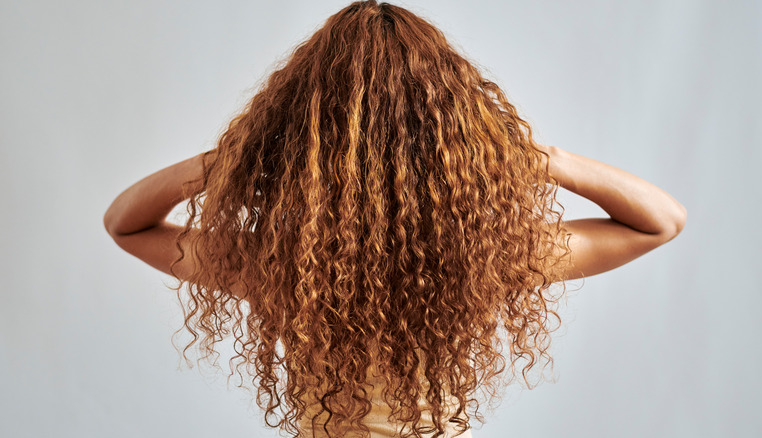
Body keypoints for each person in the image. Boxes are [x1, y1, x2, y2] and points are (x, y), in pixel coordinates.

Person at [103, 1, 686, 437]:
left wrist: (228, 159)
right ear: (449, 147)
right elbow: (659, 220)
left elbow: (125, 224)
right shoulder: (486, 262)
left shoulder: (280, 270)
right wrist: (534, 157)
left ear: (313, 147)